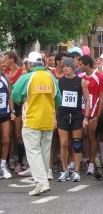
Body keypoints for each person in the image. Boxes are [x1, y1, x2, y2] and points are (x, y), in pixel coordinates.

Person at [12, 51, 61, 196]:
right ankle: (43, 180)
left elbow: (15, 95)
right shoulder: (51, 77)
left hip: (32, 120)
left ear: (29, 64)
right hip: (48, 120)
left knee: (33, 152)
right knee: (44, 151)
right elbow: (58, 99)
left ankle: (42, 182)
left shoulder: (26, 77)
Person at [57, 58, 90, 182]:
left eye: (67, 66)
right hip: (63, 115)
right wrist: (55, 117)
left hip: (76, 115)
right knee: (64, 143)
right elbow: (55, 101)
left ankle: (76, 171)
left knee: (76, 143)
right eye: (63, 66)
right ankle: (64, 170)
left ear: (73, 68)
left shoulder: (81, 82)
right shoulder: (59, 81)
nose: (65, 68)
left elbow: (87, 101)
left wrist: (86, 117)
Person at [78, 55, 103, 175]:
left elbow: (102, 97)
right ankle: (85, 159)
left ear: (87, 65)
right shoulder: (80, 77)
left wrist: (98, 115)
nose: (79, 67)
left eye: (81, 65)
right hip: (81, 111)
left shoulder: (99, 77)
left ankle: (92, 162)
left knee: (91, 137)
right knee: (82, 136)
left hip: (93, 112)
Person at [4, 50, 27, 173]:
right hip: (7, 105)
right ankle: (8, 161)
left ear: (12, 59)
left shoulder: (22, 72)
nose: (4, 62)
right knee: (8, 135)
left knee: (18, 135)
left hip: (18, 105)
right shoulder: (5, 73)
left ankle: (20, 161)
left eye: (6, 59)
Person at [0, 58, 16, 179]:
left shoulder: (7, 78)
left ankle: (3, 164)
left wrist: (12, 111)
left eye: (4, 62)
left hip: (4, 113)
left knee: (6, 139)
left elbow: (9, 95)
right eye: (1, 62)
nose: (4, 64)